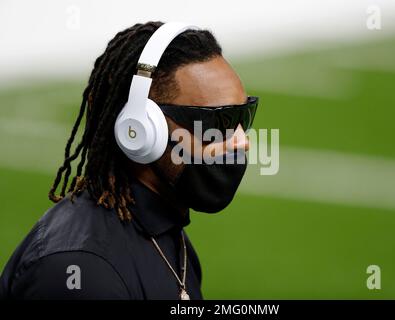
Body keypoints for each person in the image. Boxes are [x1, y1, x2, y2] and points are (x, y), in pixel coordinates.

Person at [0, 21, 258, 300]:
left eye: (244, 117)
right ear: (141, 131)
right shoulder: (83, 272)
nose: (241, 141)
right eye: (218, 122)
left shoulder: (168, 237)